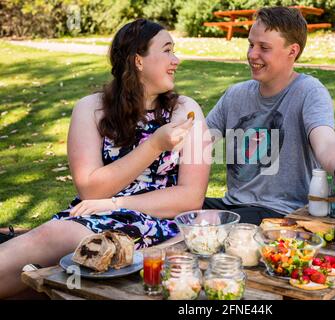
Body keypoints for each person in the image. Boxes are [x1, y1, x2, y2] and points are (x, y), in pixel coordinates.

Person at [0, 19, 210, 299]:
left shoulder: (186, 111)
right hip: (92, 214)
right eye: (168, 50)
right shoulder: (91, 109)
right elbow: (89, 189)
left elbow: (191, 197)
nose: (176, 60)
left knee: (51, 243)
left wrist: (114, 203)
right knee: (38, 270)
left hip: (153, 223)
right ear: (138, 60)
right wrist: (154, 146)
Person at [203, 7, 335, 225]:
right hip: (233, 205)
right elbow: (198, 140)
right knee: (174, 213)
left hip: (280, 214)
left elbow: (325, 142)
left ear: (292, 51)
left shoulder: (309, 91)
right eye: (251, 44)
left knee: (206, 222)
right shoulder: (235, 94)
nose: (252, 54)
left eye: (264, 48)